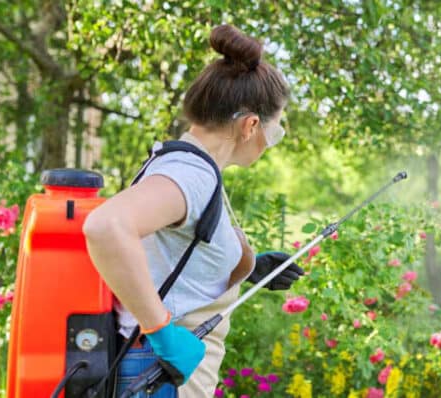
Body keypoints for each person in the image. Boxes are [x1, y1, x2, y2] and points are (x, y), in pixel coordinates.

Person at [83, 24, 304, 398]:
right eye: (275, 132)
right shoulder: (192, 175)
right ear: (251, 126)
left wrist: (246, 267)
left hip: (156, 375)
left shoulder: (184, 164)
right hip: (155, 377)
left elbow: (167, 257)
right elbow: (106, 226)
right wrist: (162, 332)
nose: (271, 143)